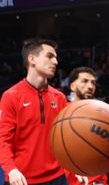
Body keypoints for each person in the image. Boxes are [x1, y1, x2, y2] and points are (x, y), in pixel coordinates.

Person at [0, 38, 67, 185]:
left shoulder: (60, 97)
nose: (55, 62)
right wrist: (11, 170)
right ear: (32, 59)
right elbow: (3, 140)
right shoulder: (11, 96)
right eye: (50, 56)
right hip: (21, 178)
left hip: (58, 177)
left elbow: (65, 139)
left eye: (56, 57)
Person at [64, 67, 109, 185]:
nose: (90, 86)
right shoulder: (59, 113)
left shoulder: (105, 116)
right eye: (84, 81)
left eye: (93, 83)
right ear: (72, 86)